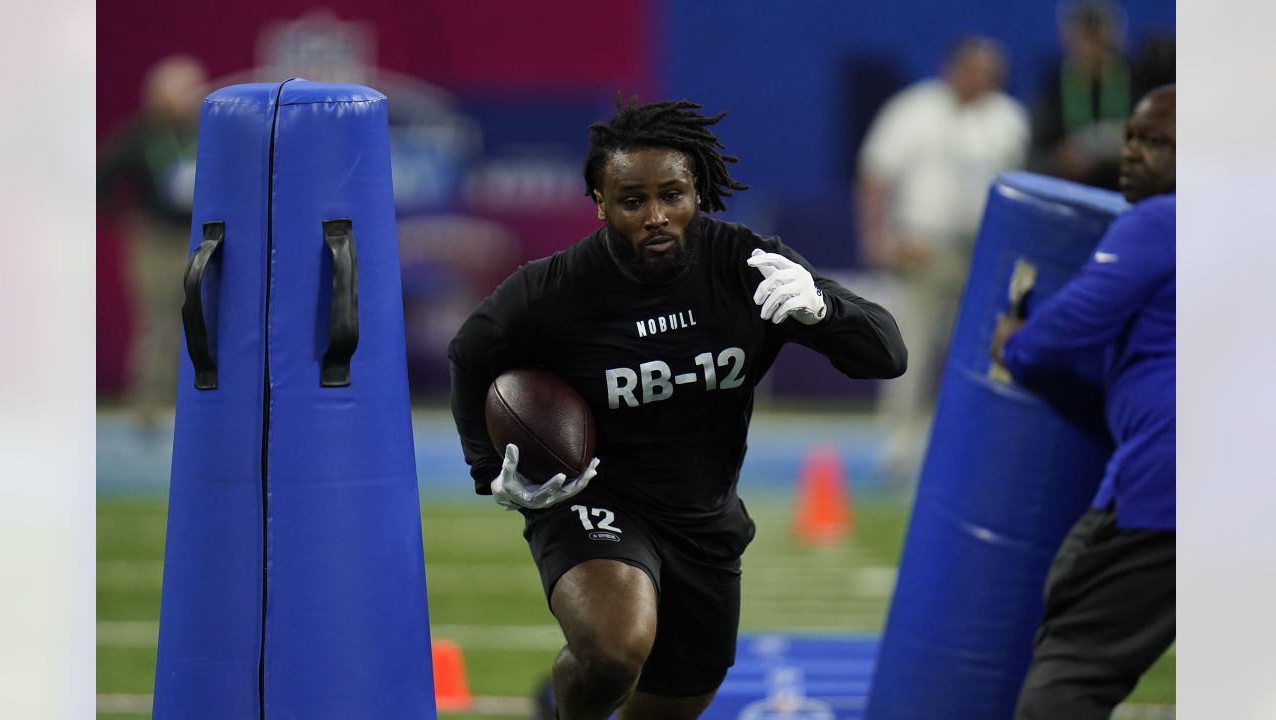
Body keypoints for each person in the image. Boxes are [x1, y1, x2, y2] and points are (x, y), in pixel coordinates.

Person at [448, 97, 907, 719]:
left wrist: (825, 308)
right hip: (593, 494)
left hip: (703, 513)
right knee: (614, 649)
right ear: (601, 204)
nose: (658, 216)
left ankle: (551, 696)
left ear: (698, 192)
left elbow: (888, 356)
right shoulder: (552, 290)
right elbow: (470, 354)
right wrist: (489, 469)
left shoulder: (746, 265)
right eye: (634, 201)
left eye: (673, 195)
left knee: (674, 697)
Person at [991, 85, 1176, 719]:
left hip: (1167, 492)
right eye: (1130, 135)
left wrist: (1013, 346)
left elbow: (1061, 332)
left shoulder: (1162, 219)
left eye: (1155, 141)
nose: (1130, 152)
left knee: (1071, 671)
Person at [855, 36, 1029, 483]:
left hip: (983, 249)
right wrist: (878, 238)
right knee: (910, 344)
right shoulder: (913, 110)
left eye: (989, 72)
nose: (981, 80)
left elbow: (1021, 190)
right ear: (950, 67)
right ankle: (900, 444)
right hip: (923, 244)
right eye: (973, 69)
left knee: (982, 346)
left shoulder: (1008, 119)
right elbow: (875, 175)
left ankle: (976, 444)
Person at [98, 55, 207, 424]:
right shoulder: (140, 137)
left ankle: (192, 407)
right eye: (184, 89)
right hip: (155, 242)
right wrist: (125, 214)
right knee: (158, 324)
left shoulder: (206, 131)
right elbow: (100, 178)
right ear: (160, 95)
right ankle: (149, 411)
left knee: (200, 321)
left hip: (199, 239)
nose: (193, 96)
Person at [1029, 0, 1135, 190]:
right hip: (1071, 190)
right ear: (1068, 37)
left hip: (1122, 190)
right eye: (1084, 37)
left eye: (1098, 38)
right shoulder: (1055, 81)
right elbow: (1036, 155)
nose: (1091, 48)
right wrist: (1059, 158)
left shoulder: (1133, 76)